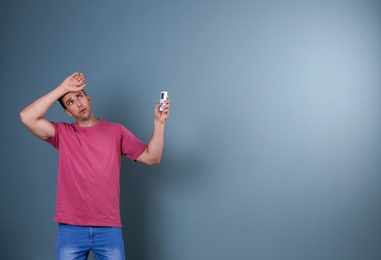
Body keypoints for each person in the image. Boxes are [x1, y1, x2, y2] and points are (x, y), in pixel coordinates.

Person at [19, 72, 170, 260]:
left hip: (108, 227)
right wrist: (63, 88)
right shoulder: (62, 133)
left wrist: (159, 124)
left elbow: (152, 157)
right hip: (71, 229)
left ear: (89, 98)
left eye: (80, 96)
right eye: (70, 102)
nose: (78, 104)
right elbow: (27, 116)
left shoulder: (116, 131)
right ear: (67, 111)